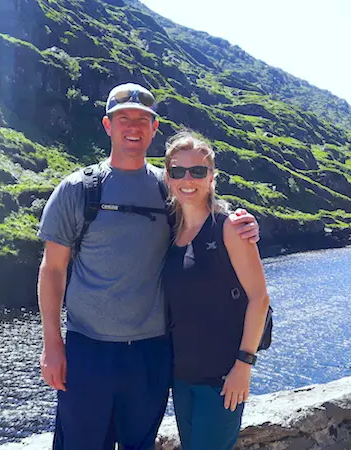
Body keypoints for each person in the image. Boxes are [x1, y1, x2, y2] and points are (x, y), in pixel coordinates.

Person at [36, 83, 259, 450]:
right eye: (124, 118)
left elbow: (202, 207)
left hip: (151, 354)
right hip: (88, 349)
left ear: (154, 129)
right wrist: (52, 344)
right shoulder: (78, 189)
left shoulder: (166, 187)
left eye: (143, 119)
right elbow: (52, 269)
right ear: (108, 125)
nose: (134, 127)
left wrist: (244, 223)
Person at [162, 131, 270, 450]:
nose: (187, 179)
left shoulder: (230, 228)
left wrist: (243, 366)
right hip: (182, 378)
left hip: (222, 380)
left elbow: (259, 299)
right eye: (178, 171)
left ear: (212, 177)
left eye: (198, 171)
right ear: (167, 177)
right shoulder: (171, 229)